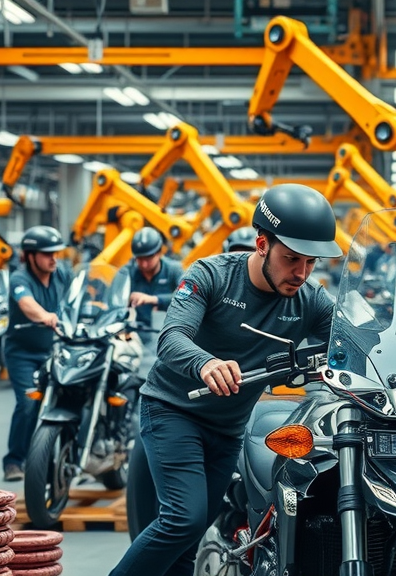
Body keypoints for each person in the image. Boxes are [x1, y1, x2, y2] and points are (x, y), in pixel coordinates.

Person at [110, 183, 343, 576]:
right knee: (183, 519)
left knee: (192, 535)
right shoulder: (211, 275)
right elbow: (171, 338)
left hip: (229, 428)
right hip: (173, 411)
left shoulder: (309, 298)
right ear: (261, 244)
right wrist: (205, 363)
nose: (301, 273)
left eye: (311, 263)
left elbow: (354, 339)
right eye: (291, 259)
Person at [2, 225, 71, 482]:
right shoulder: (20, 279)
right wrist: (45, 316)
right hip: (22, 353)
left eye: (56, 252)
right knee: (28, 403)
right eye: (46, 253)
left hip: (55, 349)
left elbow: (81, 296)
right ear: (30, 255)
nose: (53, 258)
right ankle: (13, 461)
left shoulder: (61, 273)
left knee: (69, 397)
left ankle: (61, 459)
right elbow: (26, 304)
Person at [123, 227, 184, 376]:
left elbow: (185, 295)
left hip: (166, 337)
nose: (143, 264)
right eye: (139, 259)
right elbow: (112, 299)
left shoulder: (173, 270)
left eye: (148, 258)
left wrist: (154, 300)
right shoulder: (128, 272)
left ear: (159, 252)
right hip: (134, 339)